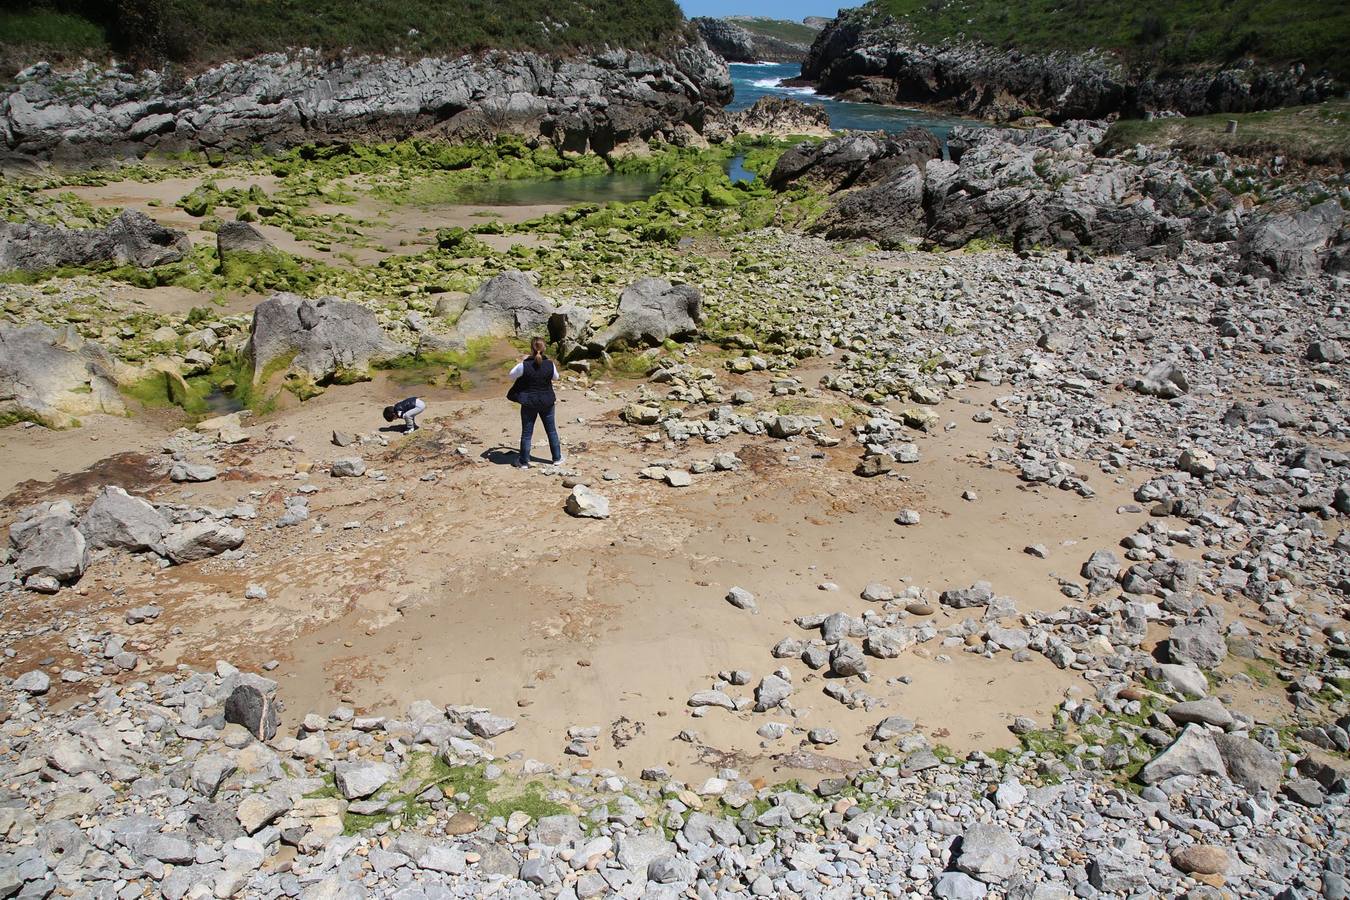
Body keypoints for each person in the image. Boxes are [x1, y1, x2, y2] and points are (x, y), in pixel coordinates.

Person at [510, 337, 563, 468]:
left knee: (527, 433)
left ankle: (524, 462)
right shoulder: (550, 364)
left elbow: (511, 375)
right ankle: (557, 458)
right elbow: (556, 377)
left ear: (531, 349)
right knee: (551, 431)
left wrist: (523, 363)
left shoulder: (524, 365)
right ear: (544, 349)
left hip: (529, 402)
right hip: (547, 401)